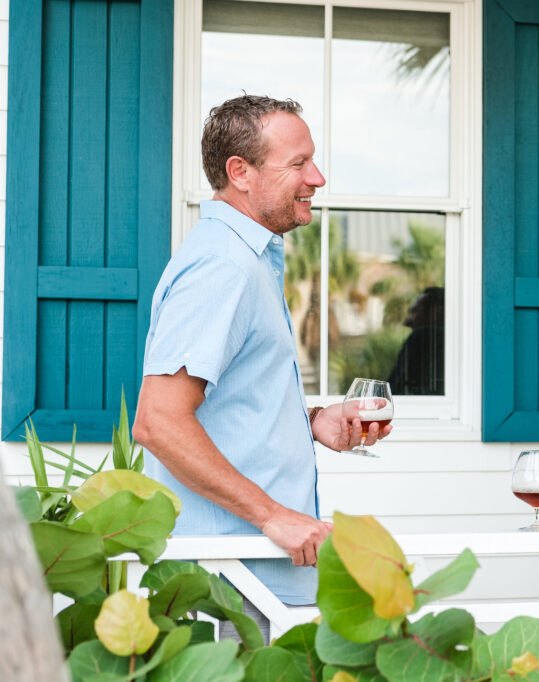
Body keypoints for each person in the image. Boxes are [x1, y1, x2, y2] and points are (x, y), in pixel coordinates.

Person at [132, 95, 392, 637]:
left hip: (254, 581)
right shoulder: (222, 266)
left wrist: (312, 420)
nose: (317, 177)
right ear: (240, 173)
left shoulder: (246, 259)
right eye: (298, 163)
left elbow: (229, 405)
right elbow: (158, 421)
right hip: (230, 586)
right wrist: (273, 515)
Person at [388, 286, 445, 395]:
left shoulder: (423, 336)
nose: (407, 322)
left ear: (435, 313)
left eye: (414, 312)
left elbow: (392, 391)